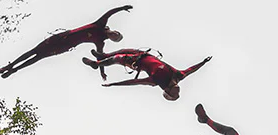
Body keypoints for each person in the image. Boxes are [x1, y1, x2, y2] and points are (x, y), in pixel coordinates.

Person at [0, 6, 132, 78]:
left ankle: (14, 70)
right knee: (33, 51)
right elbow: (109, 13)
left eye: (115, 38)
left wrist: (102, 71)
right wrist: (122, 8)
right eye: (116, 34)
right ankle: (8, 66)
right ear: (115, 31)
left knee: (38, 57)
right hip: (62, 37)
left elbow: (100, 57)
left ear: (112, 40)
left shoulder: (100, 42)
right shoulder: (100, 24)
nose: (114, 36)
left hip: (65, 46)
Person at [82, 49, 211, 101]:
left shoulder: (156, 81)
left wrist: (114, 84)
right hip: (145, 55)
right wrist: (203, 62)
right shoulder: (179, 75)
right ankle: (102, 57)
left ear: (167, 90)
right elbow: (192, 69)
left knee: (117, 58)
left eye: (174, 93)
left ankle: (96, 64)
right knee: (122, 50)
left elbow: (133, 83)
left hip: (136, 62)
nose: (177, 90)